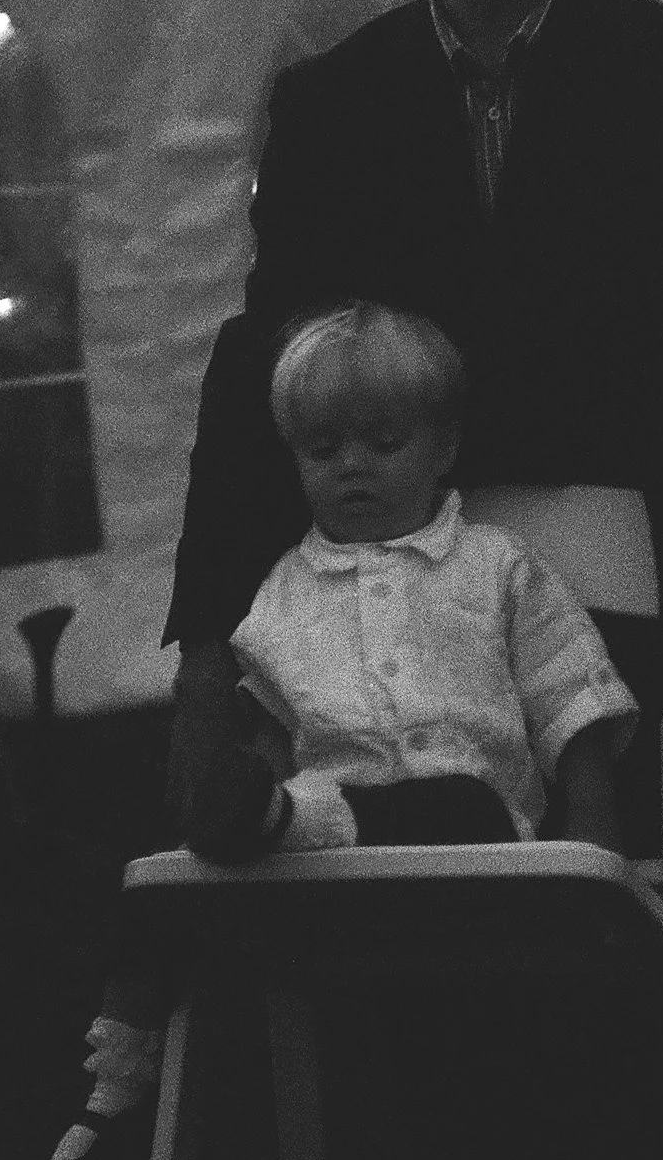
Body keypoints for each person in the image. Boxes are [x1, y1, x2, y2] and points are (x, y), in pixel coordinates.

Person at [21, 0, 663, 1160]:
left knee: (605, 1004)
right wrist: (202, 665)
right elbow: (265, 376)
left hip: (614, 629)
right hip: (368, 612)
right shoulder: (331, 102)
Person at [182, 301, 636, 862]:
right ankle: (281, 821)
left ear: (444, 448)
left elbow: (568, 692)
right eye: (323, 450)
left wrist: (592, 821)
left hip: (485, 848)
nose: (352, 465)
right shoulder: (284, 588)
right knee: (299, 811)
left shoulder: (496, 563)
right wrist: (250, 796)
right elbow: (275, 732)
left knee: (463, 804)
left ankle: (290, 822)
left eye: (385, 444)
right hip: (339, 870)